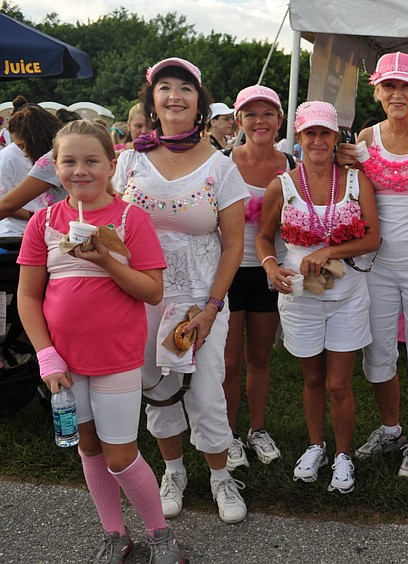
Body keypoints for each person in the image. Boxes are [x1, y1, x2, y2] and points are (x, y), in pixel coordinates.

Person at [17, 120, 183, 563]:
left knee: (120, 456)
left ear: (112, 165)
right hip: (65, 365)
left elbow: (151, 291)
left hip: (115, 359)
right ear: (54, 166)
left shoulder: (132, 219)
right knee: (89, 450)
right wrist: (46, 356)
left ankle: (162, 536)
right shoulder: (44, 222)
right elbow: (28, 296)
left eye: (92, 160)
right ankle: (116, 535)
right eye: (68, 161)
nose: (80, 170)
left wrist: (107, 260)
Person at [114, 57, 249, 525]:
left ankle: (219, 476)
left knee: (207, 391)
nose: (175, 96)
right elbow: (109, 225)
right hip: (144, 295)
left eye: (185, 88)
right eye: (165, 87)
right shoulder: (129, 161)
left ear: (199, 103)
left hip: (200, 297)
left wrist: (213, 308)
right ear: (151, 102)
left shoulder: (220, 167)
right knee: (157, 388)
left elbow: (234, 247)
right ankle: (173, 472)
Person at [336, 52, 408, 481]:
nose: (397, 93)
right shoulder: (366, 136)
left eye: (406, 85)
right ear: (377, 91)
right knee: (378, 351)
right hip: (376, 265)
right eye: (389, 86)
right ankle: (390, 429)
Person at [256, 100, 379, 493]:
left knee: (339, 383)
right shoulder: (283, 184)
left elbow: (373, 237)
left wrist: (329, 251)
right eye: (310, 133)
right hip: (300, 295)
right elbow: (262, 237)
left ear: (336, 136)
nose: (318, 140)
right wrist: (271, 267)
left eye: (325, 132)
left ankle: (343, 454)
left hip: (347, 294)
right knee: (312, 379)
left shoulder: (357, 181)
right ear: (299, 137)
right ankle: (316, 446)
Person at [223, 85, 293, 471]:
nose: (259, 121)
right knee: (229, 362)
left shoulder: (294, 167)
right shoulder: (221, 162)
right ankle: (230, 434)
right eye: (250, 114)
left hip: (271, 271)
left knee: (260, 359)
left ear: (280, 120)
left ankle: (258, 430)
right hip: (228, 272)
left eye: (267, 113)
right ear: (239, 121)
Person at [0, 100, 65, 230]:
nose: (24, 153)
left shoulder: (51, 159)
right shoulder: (66, 149)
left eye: (23, 146)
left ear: (35, 139)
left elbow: (7, 205)